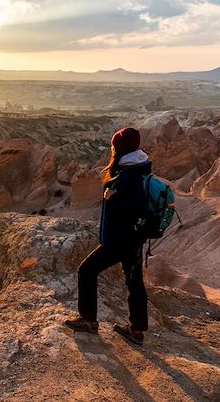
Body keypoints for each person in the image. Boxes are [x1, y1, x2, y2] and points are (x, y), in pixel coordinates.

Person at [64, 127, 150, 345]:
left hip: (119, 239)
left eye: (114, 145)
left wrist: (112, 197)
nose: (112, 149)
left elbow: (135, 207)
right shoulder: (139, 166)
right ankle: (136, 331)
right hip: (133, 238)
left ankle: (89, 320)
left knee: (86, 271)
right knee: (134, 282)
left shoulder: (129, 174)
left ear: (121, 147)